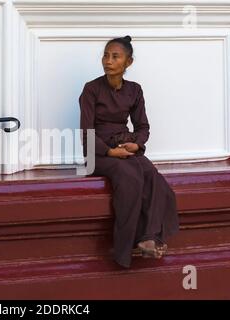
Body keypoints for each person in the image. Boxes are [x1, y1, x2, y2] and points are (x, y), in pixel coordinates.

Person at [79, 36, 179, 268]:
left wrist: (137, 145)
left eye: (115, 56)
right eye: (105, 55)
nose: (108, 61)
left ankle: (149, 239)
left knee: (154, 177)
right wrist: (110, 152)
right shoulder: (91, 90)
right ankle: (125, 246)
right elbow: (86, 132)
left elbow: (142, 126)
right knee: (131, 177)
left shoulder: (134, 90)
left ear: (128, 62)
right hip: (99, 154)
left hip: (126, 147)